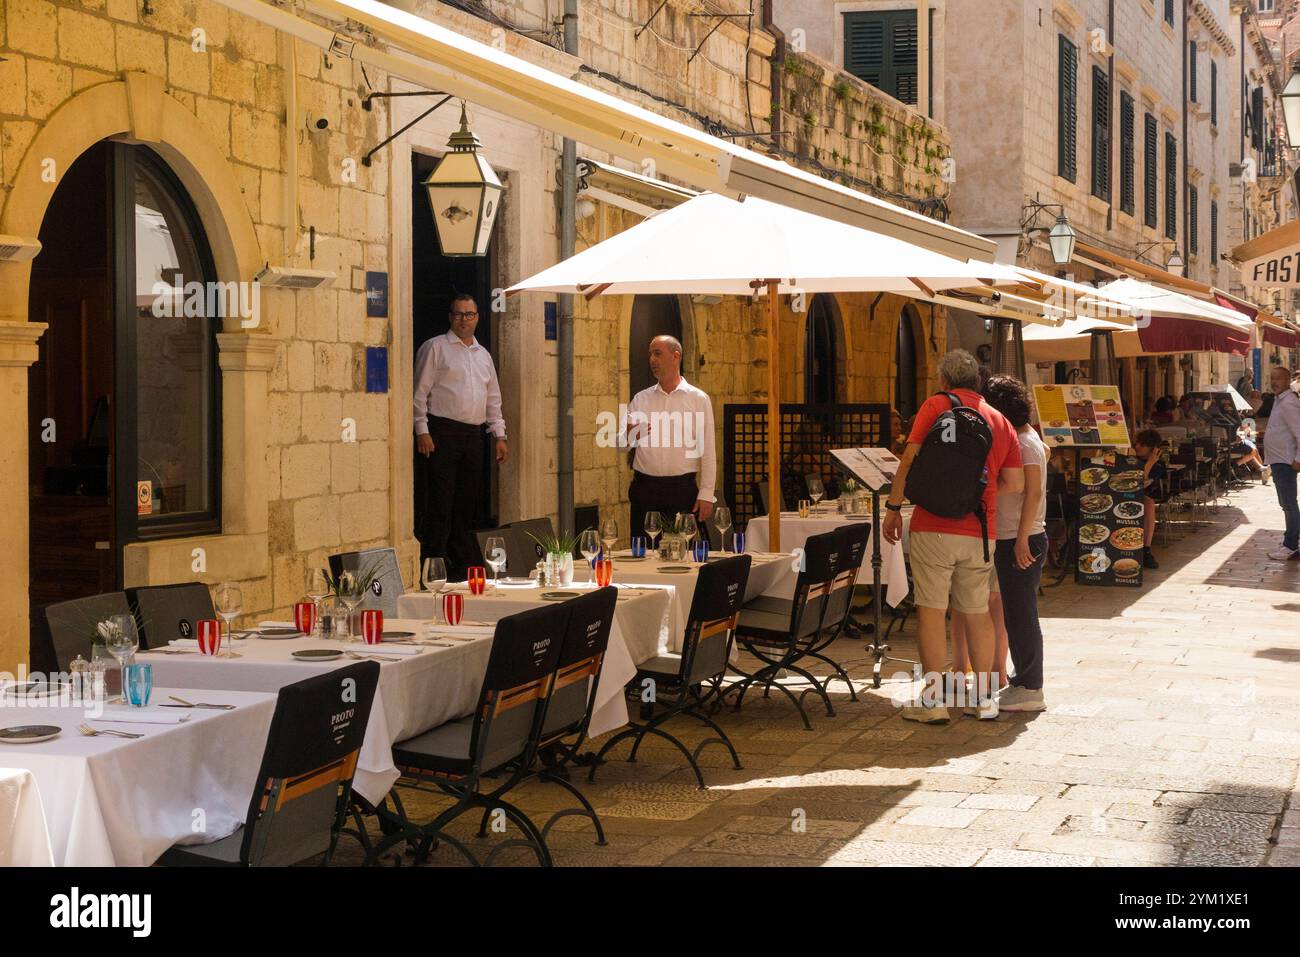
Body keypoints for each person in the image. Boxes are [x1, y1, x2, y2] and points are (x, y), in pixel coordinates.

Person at [883, 350, 1024, 723]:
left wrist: (894, 508)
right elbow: (1014, 482)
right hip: (980, 531)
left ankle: (933, 702)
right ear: (979, 382)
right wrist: (978, 492)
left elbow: (909, 460)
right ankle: (982, 701)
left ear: (944, 381)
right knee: (976, 613)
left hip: (933, 525)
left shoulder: (935, 406)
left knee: (931, 611)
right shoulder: (1000, 421)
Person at [413, 294, 508, 578]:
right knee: (440, 503)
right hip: (442, 432)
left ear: (478, 317)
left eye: (469, 314)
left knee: (468, 503)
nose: (463, 320)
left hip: (474, 435)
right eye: (458, 314)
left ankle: (461, 567)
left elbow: (493, 398)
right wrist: (422, 429)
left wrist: (499, 435)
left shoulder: (483, 355)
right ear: (450, 317)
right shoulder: (435, 348)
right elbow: (419, 392)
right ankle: (434, 567)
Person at [985, 374, 1048, 712]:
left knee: (1022, 615)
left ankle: (1031, 686)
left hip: (1020, 538)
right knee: (1016, 612)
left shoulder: (1023, 443)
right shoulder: (1029, 439)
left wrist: (1022, 538)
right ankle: (1022, 679)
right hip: (1017, 536)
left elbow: (1033, 490)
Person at [625, 335, 716, 540]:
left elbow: (709, 450)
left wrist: (706, 494)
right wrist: (629, 435)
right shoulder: (641, 399)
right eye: (650, 354)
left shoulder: (698, 399)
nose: (652, 360)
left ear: (676, 356)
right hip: (645, 490)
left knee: (682, 557)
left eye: (657, 353)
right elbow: (621, 445)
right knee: (642, 555)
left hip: (682, 491)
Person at [1262, 365, 1300, 561]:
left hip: (1285, 461)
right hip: (1279, 459)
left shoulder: (1288, 403)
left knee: (1288, 503)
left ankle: (1290, 545)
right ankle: (1291, 540)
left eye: (1278, 378)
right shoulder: (1280, 400)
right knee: (1286, 503)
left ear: (1287, 381)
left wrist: (1298, 459)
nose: (1274, 381)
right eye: (1272, 377)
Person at [1132, 429, 1166, 570]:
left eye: (1142, 445)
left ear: (1153, 449)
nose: (1137, 447)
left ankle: (1146, 549)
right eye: (1137, 443)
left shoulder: (1158, 466)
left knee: (1149, 503)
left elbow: (1139, 481)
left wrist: (1151, 461)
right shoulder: (1129, 458)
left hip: (1138, 495)